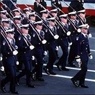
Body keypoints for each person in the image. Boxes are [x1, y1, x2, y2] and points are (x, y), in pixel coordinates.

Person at [71, 24, 93, 88]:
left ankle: (82, 83)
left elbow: (87, 45)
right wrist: (77, 56)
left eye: (87, 29)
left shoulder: (85, 36)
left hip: (85, 55)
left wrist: (89, 53)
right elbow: (77, 48)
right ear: (82, 29)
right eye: (85, 29)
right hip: (81, 55)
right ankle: (74, 78)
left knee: (84, 69)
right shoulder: (79, 37)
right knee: (84, 69)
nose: (86, 30)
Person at [16, 24, 35, 88]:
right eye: (26, 29)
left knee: (28, 69)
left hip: (29, 54)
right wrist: (27, 47)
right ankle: (28, 82)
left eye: (28, 29)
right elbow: (20, 47)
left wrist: (32, 54)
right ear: (22, 29)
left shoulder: (29, 36)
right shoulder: (20, 37)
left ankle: (17, 77)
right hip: (24, 55)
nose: (27, 30)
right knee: (28, 69)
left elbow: (31, 45)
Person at [0, 28, 18, 94]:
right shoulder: (4, 42)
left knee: (13, 75)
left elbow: (14, 50)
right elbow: (3, 52)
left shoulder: (13, 40)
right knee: (12, 75)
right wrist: (11, 53)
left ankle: (12, 89)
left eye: (13, 33)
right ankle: (3, 83)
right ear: (7, 34)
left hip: (13, 59)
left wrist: (16, 59)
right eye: (11, 33)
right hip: (7, 60)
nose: (13, 35)